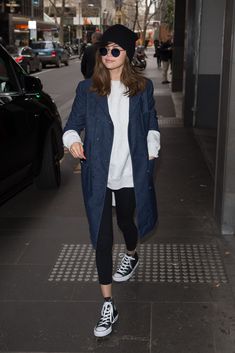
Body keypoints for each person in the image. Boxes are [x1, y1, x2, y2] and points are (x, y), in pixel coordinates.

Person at [63, 24, 160, 338]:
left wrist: (151, 150)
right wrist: (73, 140)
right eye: (103, 49)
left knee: (128, 223)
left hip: (130, 171)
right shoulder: (87, 89)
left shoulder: (142, 88)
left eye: (115, 50)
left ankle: (131, 253)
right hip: (99, 173)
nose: (107, 55)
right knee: (101, 239)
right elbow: (72, 124)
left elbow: (152, 124)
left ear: (127, 54)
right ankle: (108, 305)